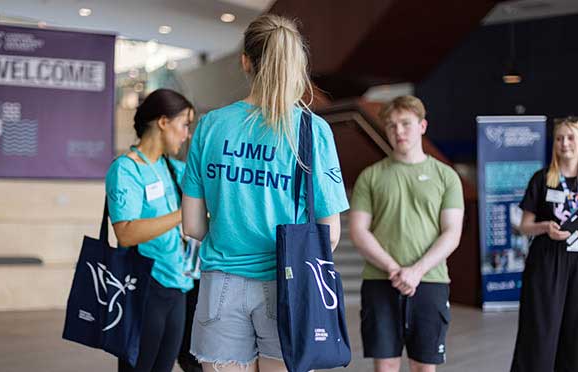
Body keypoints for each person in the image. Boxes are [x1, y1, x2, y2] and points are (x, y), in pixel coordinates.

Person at [180, 14, 349, 372]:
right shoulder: (312, 130)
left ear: (245, 61)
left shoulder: (210, 126)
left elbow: (192, 226)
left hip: (219, 284)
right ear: (295, 64)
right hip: (290, 287)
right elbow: (329, 233)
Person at [349, 95, 464, 372]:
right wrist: (393, 268)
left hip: (431, 281)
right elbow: (358, 230)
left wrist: (416, 271)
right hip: (380, 280)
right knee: (386, 365)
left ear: (422, 126)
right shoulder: (370, 176)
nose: (398, 131)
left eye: (405, 123)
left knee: (424, 365)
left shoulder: (446, 176)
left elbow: (452, 233)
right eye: (391, 125)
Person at [105, 88, 195, 372]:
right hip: (144, 287)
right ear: (163, 122)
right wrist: (182, 214)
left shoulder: (172, 169)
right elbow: (126, 233)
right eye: (184, 124)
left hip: (178, 285)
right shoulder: (126, 169)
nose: (186, 134)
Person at [510, 117, 578, 372]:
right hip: (547, 259)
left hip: (577, 259)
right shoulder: (542, 179)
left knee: (574, 330)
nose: (565, 143)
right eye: (560, 138)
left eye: (571, 137)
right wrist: (544, 228)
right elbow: (524, 225)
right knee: (541, 329)